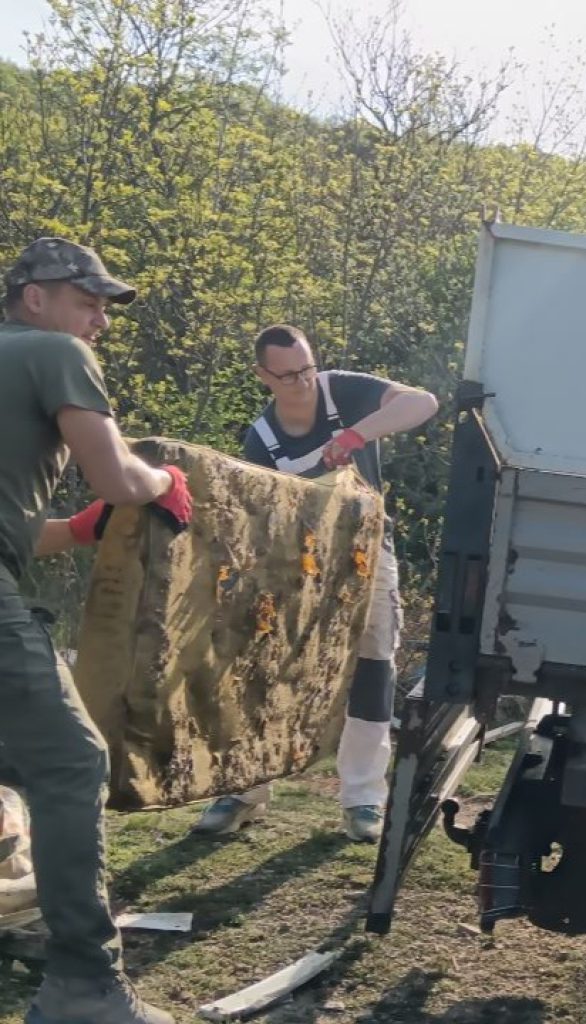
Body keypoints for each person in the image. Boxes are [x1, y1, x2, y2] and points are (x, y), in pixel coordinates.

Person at [0, 238, 193, 1024]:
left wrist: (79, 531)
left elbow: (16, 530)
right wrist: (162, 481)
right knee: (71, 761)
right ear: (33, 297)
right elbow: (115, 475)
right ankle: (84, 986)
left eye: (105, 309)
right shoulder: (54, 353)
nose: (99, 322)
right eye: (87, 303)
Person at [192, 324, 437, 843]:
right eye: (287, 375)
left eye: (306, 368)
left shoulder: (342, 390)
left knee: (373, 664)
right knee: (265, 665)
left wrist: (353, 435)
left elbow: (423, 403)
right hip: (298, 560)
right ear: (263, 376)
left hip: (369, 550)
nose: (302, 382)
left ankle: (363, 800)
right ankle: (244, 790)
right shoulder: (261, 438)